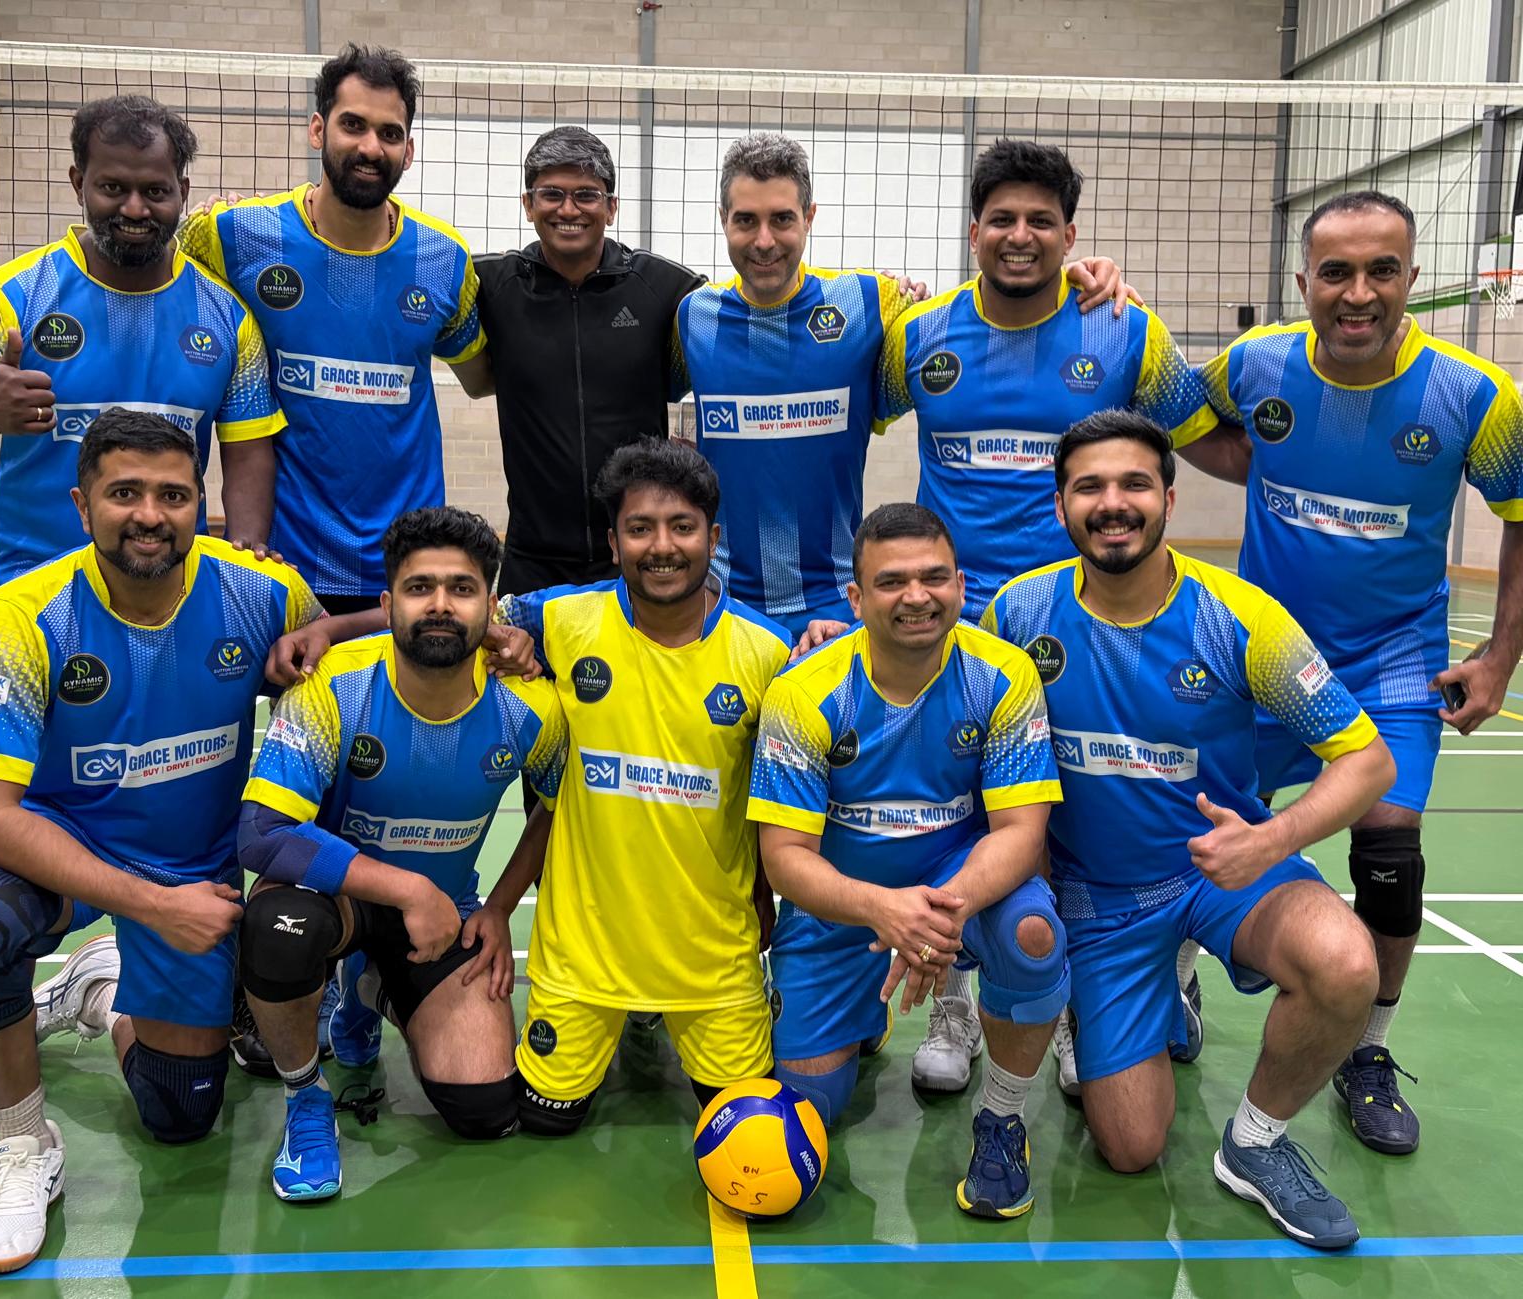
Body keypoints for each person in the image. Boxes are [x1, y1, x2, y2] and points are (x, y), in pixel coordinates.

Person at [0, 410, 322, 1273]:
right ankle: (26, 1145)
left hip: (199, 870)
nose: (150, 514)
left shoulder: (262, 592)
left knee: (179, 1118)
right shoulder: (22, 614)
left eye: (174, 494)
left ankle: (103, 991)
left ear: (203, 504)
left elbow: (347, 663)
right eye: (125, 493)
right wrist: (152, 906)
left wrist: (493, 637)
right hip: (71, 859)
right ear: (82, 505)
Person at [988, 409, 1393, 1249]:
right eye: (1089, 485)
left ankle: (1255, 1142)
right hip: (1101, 900)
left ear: (1169, 498)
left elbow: (1367, 761)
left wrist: (1272, 840)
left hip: (1226, 871)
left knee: (1346, 962)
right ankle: (1147, 991)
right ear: (1060, 503)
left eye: (1134, 483)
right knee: (1131, 1147)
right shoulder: (1019, 613)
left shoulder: (1240, 618)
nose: (1113, 502)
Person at [1182, 190, 1523, 1155]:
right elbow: (1178, 417)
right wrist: (1259, 463)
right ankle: (1179, 976)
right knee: (1196, 822)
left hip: (1394, 656)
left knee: (1389, 847)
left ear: (1413, 279)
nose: (1359, 292)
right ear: (1304, 283)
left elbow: (1521, 514)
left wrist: (1500, 654)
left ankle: (1367, 1049)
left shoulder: (1474, 395)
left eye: (1382, 270)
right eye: (1337, 271)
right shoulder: (1257, 364)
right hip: (1267, 656)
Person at [876, 139, 1213, 1094]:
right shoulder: (918, 336)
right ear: (973, 229)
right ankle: (954, 995)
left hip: (1088, 621)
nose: (1020, 236)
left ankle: (1067, 1000)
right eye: (1001, 219)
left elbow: (1205, 433)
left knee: (1074, 815)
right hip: (950, 623)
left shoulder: (1124, 328)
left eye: (1041, 221)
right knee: (963, 811)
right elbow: (839, 402)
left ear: (1071, 234)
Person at [0, 45, 485, 616]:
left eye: (389, 132)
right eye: (352, 125)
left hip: (363, 568)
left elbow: (484, 374)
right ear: (319, 130)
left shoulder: (440, 261)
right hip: (47, 597)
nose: (137, 209)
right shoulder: (12, 296)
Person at [673, 132, 1133, 641]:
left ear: (809, 217)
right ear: (723, 221)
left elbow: (1002, 304)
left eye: (782, 218)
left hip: (838, 602)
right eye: (746, 220)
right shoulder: (693, 318)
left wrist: (1068, 277)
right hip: (719, 598)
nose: (764, 240)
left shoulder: (875, 302)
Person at [235, 506, 566, 1200]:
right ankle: (305, 1097)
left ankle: (367, 988)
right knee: (276, 930)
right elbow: (262, 832)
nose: (440, 604)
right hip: (341, 900)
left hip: (448, 912)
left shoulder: (530, 705)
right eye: (420, 588)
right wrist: (408, 889)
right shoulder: (335, 683)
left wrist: (501, 907)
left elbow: (559, 809)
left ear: (491, 608)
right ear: (387, 605)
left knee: (485, 1107)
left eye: (461, 588)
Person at [749, 502, 1068, 1219]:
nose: (917, 596)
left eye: (934, 577)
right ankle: (867, 1010)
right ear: (857, 598)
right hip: (845, 903)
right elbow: (786, 860)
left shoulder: (1004, 675)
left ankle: (1002, 1119)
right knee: (807, 1115)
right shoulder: (804, 693)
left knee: (1033, 934)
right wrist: (884, 911)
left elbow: (1021, 831)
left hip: (959, 887)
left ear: (961, 583)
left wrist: (937, 916)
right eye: (891, 582)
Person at [487, 440, 790, 1132]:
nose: (662, 546)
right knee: (545, 1119)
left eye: (682, 526)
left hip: (710, 959)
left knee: (747, 1124)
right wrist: (330, 633)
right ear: (612, 539)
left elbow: (774, 800)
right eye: (640, 528)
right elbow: (452, 614)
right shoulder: (558, 618)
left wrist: (767, 889)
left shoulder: (766, 651)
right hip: (582, 955)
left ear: (714, 537)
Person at [0, 95, 283, 592]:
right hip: (33, 601)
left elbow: (248, 453)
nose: (135, 208)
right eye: (113, 188)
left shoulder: (229, 318)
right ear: (78, 183)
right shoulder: (8, 299)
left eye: (155, 191)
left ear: (182, 191)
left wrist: (247, 572)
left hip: (171, 602)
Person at [466, 126, 706, 595]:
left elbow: (752, 306)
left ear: (611, 207)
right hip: (531, 559)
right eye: (551, 194)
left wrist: (868, 286)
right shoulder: (491, 286)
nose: (569, 209)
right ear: (528, 204)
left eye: (587, 195)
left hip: (637, 558)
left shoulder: (663, 287)